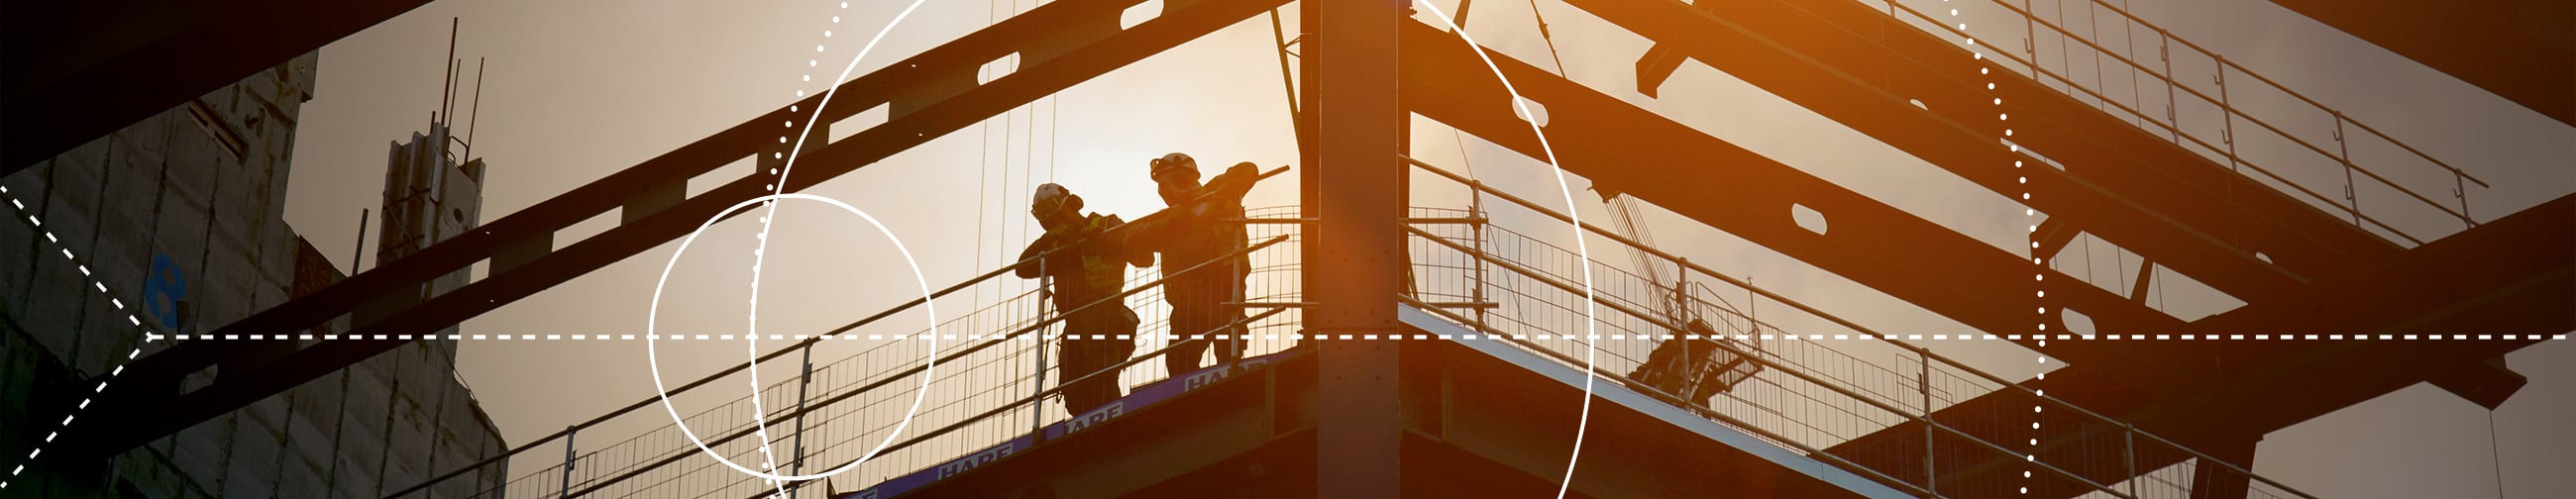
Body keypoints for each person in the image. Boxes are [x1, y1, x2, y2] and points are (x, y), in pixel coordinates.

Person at [1017, 183, 1153, 415]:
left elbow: (1144, 257)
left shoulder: (1105, 225)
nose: (1053, 222)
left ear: (1070, 205)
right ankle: (1091, 433)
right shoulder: (1056, 243)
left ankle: (1112, 426)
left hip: (1106, 313)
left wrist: (1104, 240)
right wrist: (1048, 240)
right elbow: (1023, 267)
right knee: (1073, 391)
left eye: (1055, 213)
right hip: (1075, 323)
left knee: (1101, 380)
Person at [1130, 152, 1262, 377]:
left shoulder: (1218, 190)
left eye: (1164, 183)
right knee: (1179, 360)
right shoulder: (1167, 217)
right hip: (1186, 297)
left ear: (1182, 176)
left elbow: (1248, 168)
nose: (1161, 191)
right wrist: (1182, 216)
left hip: (1221, 283)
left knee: (1228, 347)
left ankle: (1231, 387)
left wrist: (1197, 199)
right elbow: (1133, 241)